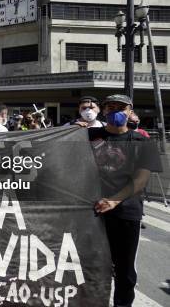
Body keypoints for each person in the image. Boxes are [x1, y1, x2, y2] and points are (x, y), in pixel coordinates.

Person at [87, 94, 160, 307]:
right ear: (104, 111)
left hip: (126, 212)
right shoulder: (87, 135)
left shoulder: (142, 142)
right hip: (89, 212)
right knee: (90, 264)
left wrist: (114, 201)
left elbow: (141, 178)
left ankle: (122, 303)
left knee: (125, 268)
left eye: (121, 107)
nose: (116, 111)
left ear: (130, 112)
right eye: (111, 107)